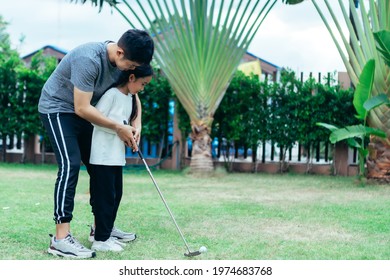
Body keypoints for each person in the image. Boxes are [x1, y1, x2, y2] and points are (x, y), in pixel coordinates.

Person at [39, 29, 154, 259]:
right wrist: (118, 127)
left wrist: (136, 122)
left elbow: (134, 95)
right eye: (131, 66)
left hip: (86, 113)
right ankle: (61, 238)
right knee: (70, 165)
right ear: (120, 52)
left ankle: (101, 228)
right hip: (59, 110)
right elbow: (81, 107)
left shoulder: (123, 62)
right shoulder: (88, 59)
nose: (132, 71)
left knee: (101, 168)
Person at [88, 65, 153, 252]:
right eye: (143, 84)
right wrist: (120, 128)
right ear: (131, 78)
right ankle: (100, 240)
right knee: (105, 198)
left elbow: (126, 124)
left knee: (116, 195)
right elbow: (95, 119)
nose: (143, 88)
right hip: (102, 156)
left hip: (116, 156)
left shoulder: (130, 98)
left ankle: (106, 233)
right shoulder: (111, 94)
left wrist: (131, 134)